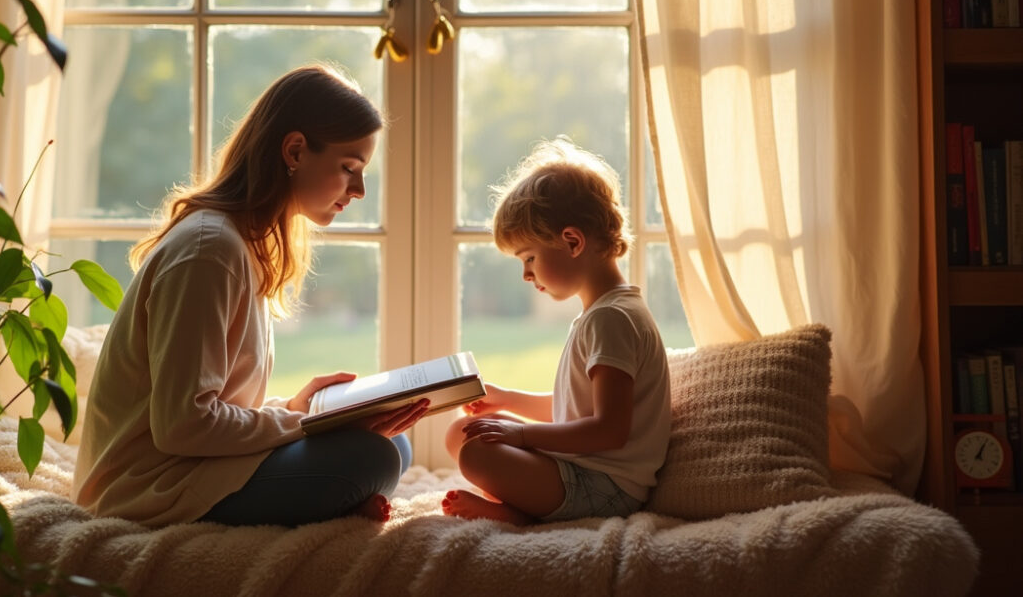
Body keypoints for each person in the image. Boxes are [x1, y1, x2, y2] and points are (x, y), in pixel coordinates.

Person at [72, 64, 429, 528]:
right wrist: (306, 425)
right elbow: (185, 425)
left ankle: (332, 493)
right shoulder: (210, 252)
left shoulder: (241, 243)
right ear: (296, 150)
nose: (358, 191)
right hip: (151, 486)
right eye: (349, 169)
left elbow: (218, 408)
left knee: (393, 443)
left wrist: (296, 409)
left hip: (196, 464)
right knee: (371, 458)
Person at [442, 138, 671, 525]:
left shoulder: (611, 319)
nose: (526, 274)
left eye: (529, 258)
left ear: (572, 241)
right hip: (581, 469)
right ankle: (520, 507)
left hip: (605, 487)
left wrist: (523, 437)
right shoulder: (601, 313)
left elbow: (609, 431)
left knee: (477, 454)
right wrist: (507, 400)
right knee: (462, 432)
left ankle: (517, 516)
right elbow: (576, 410)